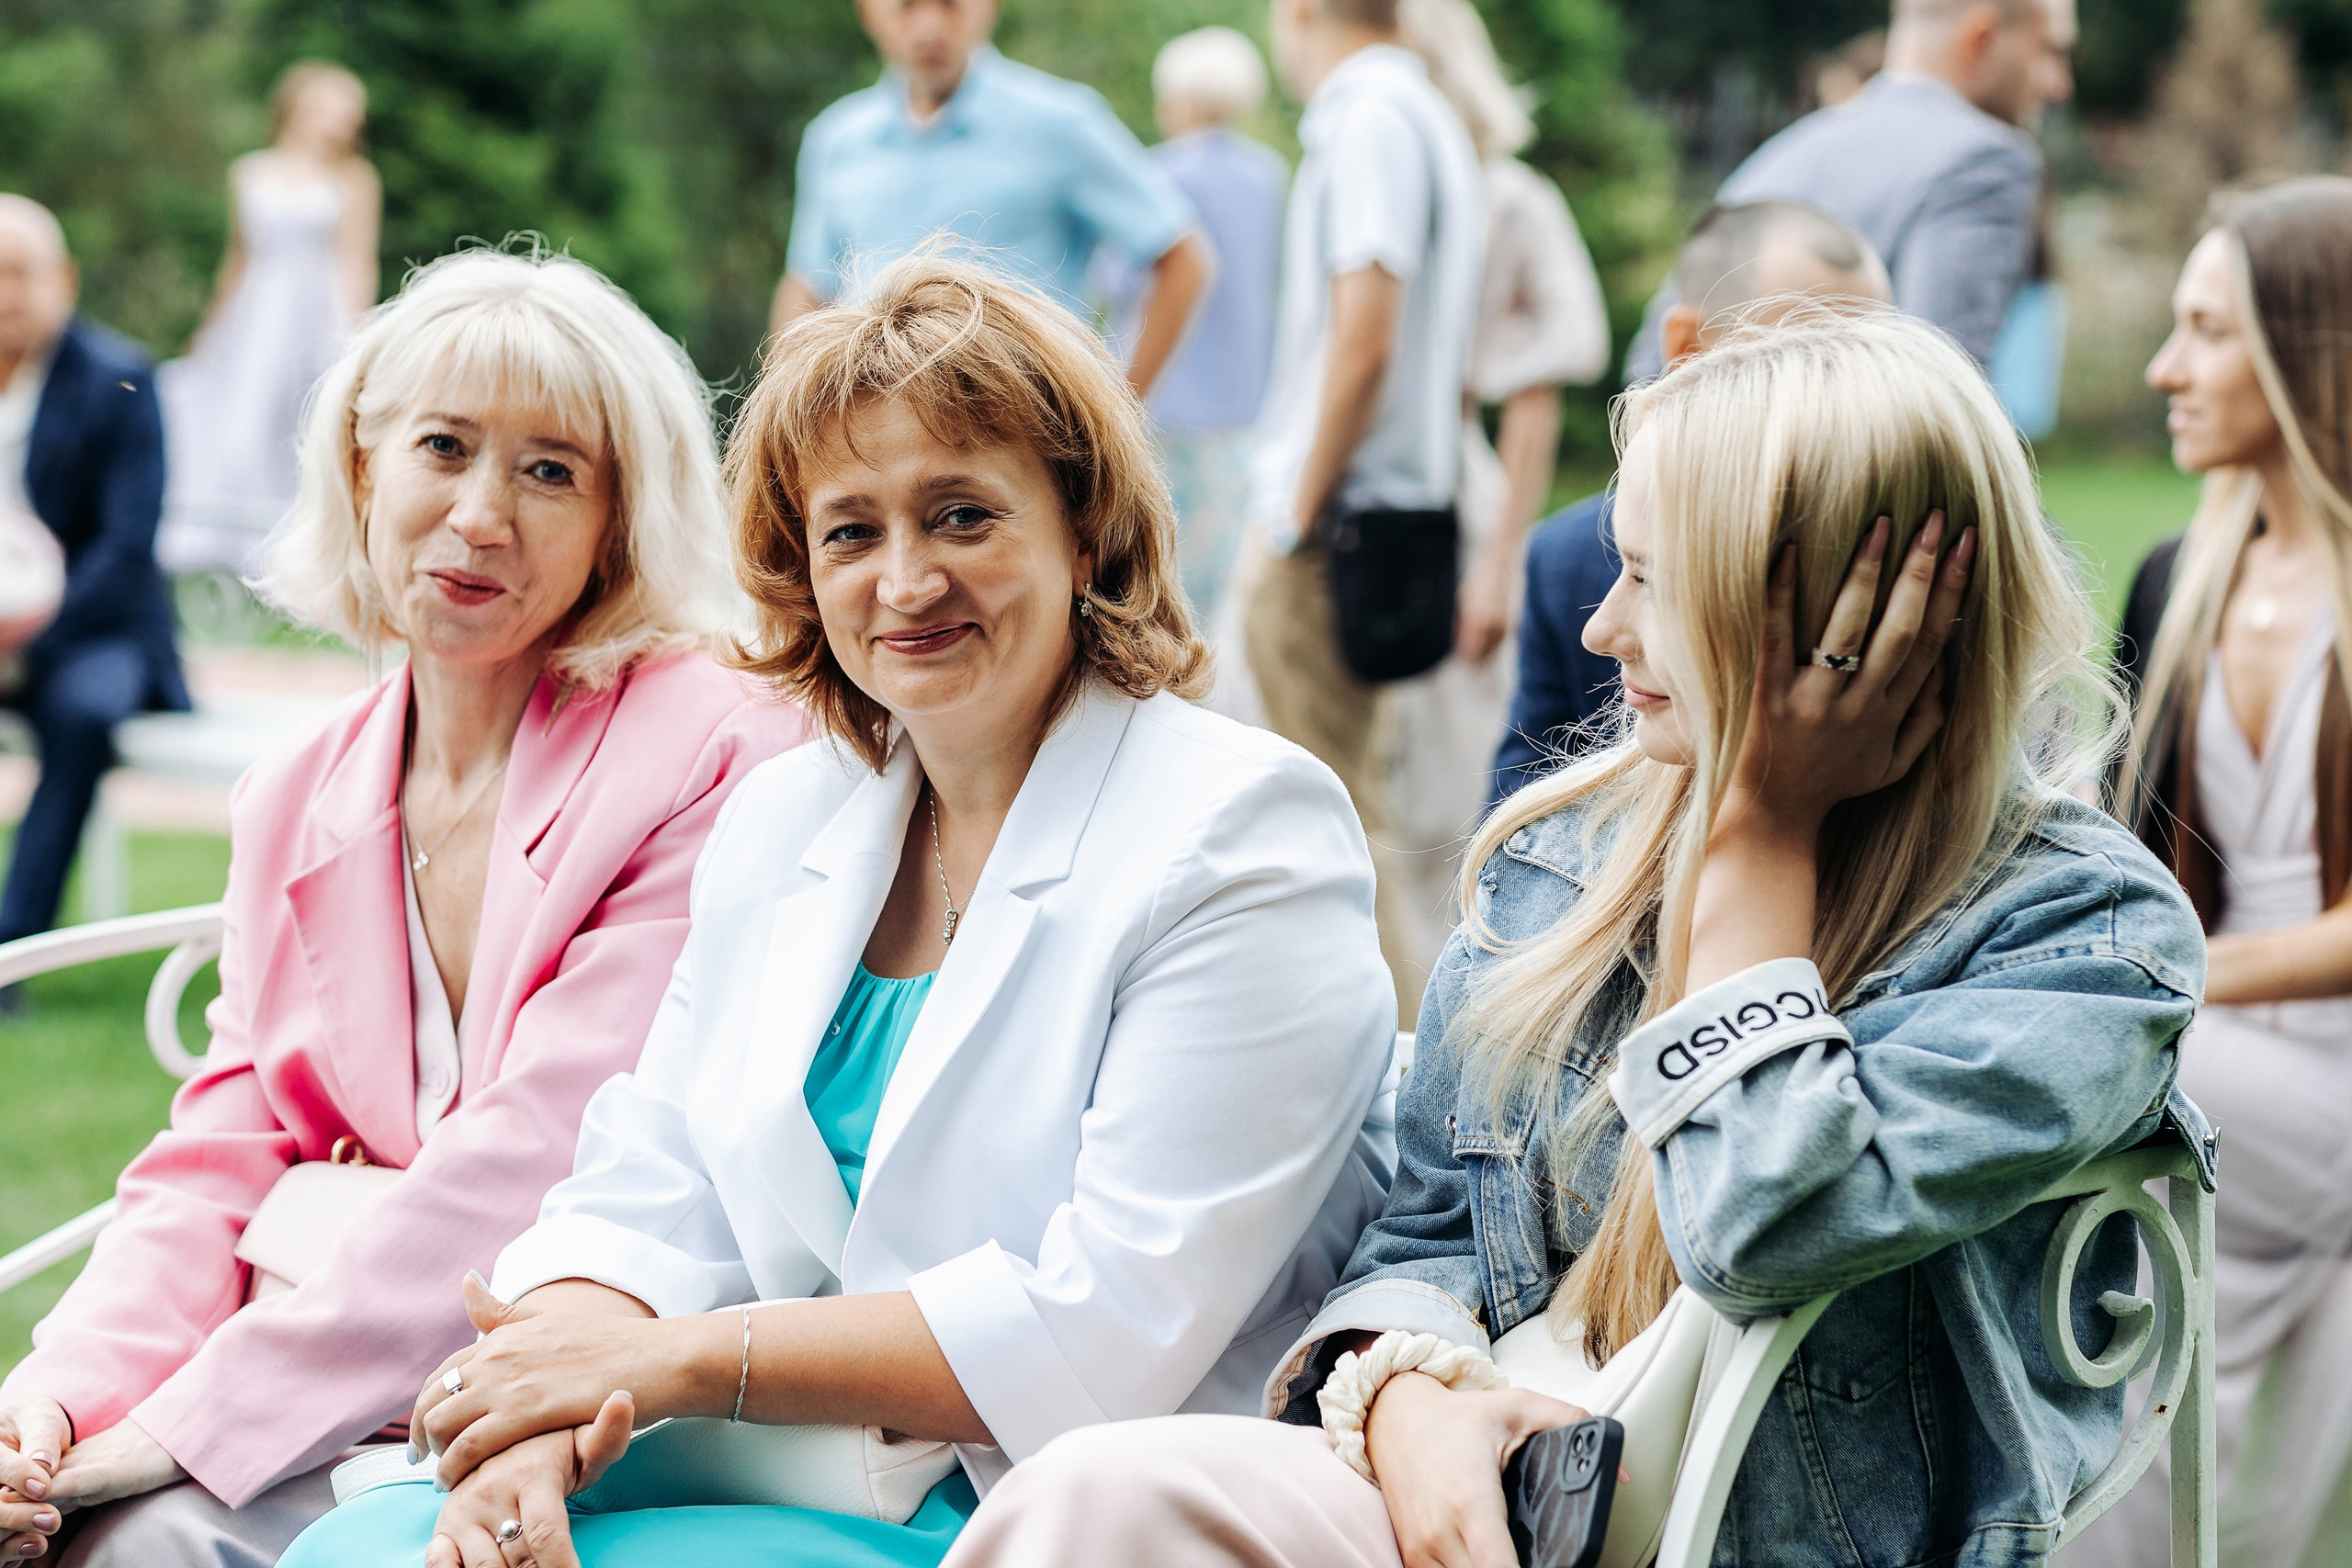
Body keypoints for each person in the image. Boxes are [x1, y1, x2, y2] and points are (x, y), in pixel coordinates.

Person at [939, 310, 2212, 1568]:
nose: (1602, 628)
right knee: (1087, 1499)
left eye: (1654, 580)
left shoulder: (2078, 933)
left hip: (1760, 1533)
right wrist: (1405, 1399)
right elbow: (1429, 1222)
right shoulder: (1567, 855)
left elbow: (1764, 1230)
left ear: (1834, 613)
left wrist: (1764, 832)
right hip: (1510, 1490)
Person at [274, 254, 1398, 1568]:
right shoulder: (791, 815)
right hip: (769, 1458)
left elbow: (1106, 1326)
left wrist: (666, 1357)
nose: (905, 580)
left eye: (963, 515)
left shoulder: (1241, 828)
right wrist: (532, 1411)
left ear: (1083, 529)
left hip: (1040, 1502)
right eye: (852, 530)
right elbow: (651, 1177)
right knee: (358, 1552)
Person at [0, 247, 807, 1565]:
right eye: (444, 446)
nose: (481, 514)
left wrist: (182, 1427)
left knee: (142, 1539)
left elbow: (550, 1150)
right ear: (366, 470)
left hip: (591, 1412)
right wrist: (56, 1403)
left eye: (552, 469)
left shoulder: (715, 747)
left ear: (620, 516)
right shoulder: (298, 787)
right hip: (320, 1398)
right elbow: (223, 1147)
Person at [2068, 175, 2352, 1568]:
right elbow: (2124, 857)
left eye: (2205, 330)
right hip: (2227, 1061)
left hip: (2290, 1065)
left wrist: (2160, 983)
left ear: (2312, 349)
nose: (2162, 367)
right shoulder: (2184, 577)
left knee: (2103, 1081)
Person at [1238, 0, 1483, 1028]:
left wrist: (1294, 511)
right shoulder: (1426, 110)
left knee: (1335, 823)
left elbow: (1364, 338)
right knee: (1354, 809)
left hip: (1335, 521)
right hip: (1389, 515)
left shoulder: (1370, 118)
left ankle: (1408, 1072)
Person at [1492, 200, 1891, 801]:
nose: (1842, 399)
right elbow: (1518, 809)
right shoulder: (1565, 563)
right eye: (1793, 359)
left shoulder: (1940, 551)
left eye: (1874, 362)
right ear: (1687, 345)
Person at [1375, 0, 1607, 969]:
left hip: (1458, 505)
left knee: (1450, 776)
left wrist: (1499, 567)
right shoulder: (1383, 188)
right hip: (1377, 505)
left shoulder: (1507, 200)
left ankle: (1459, 987)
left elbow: (1535, 393)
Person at [772, 0, 1210, 401]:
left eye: (950, 4)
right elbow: (806, 287)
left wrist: (1115, 416)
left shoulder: (1060, 123)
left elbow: (1183, 259)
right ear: (868, 10)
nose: (928, 26)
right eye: (906, 6)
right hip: (870, 449)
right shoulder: (836, 140)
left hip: (1022, 444)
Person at [1624, 0, 2072, 381]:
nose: (2060, 84)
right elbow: (1944, 395)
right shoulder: (1986, 160)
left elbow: (1651, 368)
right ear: (1981, 38)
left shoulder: (1788, 151)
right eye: (2049, 51)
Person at [0, 196, 188, 977]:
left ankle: (12, 953)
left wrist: (24, 641)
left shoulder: (121, 378)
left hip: (94, 629)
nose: (4, 294)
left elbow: (125, 547)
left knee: (82, 716)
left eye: (18, 273)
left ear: (64, 280)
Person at [158, 61, 382, 579]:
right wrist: (211, 330)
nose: (349, 120)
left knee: (300, 424)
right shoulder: (250, 171)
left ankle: (294, 549)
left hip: (315, 312)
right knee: (238, 417)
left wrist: (355, 334)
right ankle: (226, 543)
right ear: (301, 107)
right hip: (258, 313)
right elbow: (239, 258)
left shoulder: (354, 180)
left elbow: (356, 258)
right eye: (339, 106)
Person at [1096, 26, 1288, 624]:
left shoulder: (1159, 172)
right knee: (1223, 576)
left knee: (1164, 571)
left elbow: (1118, 279)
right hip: (1241, 399)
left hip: (1164, 399)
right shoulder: (1269, 175)